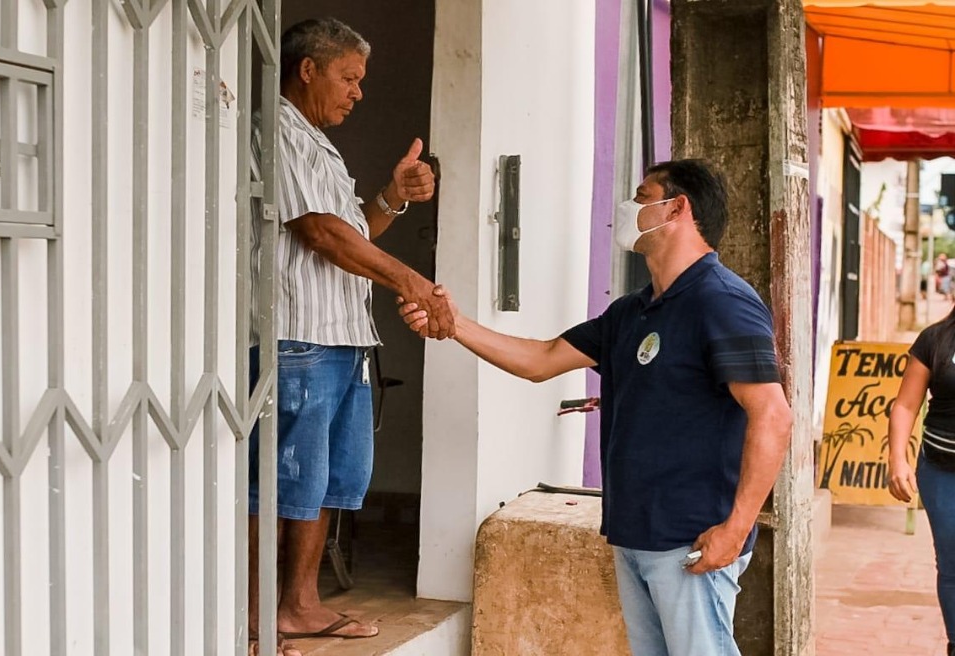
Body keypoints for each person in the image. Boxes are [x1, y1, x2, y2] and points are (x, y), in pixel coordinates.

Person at [400, 159, 792, 656]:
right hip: (635, 534)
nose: (628, 207)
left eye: (642, 195)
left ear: (677, 207)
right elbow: (540, 360)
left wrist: (736, 529)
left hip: (691, 539)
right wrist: (455, 324)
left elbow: (773, 416)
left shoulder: (723, 301)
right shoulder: (632, 311)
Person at [246, 17, 454, 656]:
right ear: (307, 69)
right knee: (279, 482)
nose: (359, 92)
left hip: (339, 337)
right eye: (350, 78)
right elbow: (321, 233)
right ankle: (252, 618)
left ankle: (299, 607)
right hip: (297, 337)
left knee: (331, 480)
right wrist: (412, 282)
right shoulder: (276, 129)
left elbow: (353, 231)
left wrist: (394, 196)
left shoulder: (314, 142)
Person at [888, 311, 955, 656]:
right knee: (952, 562)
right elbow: (905, 405)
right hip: (942, 471)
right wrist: (897, 459)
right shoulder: (934, 340)